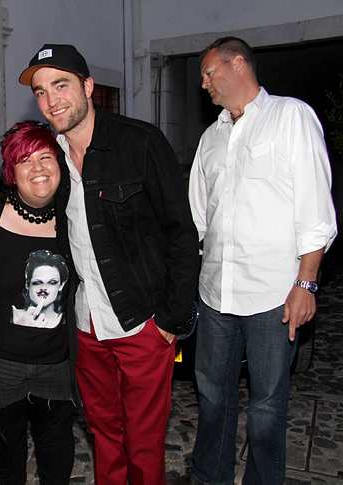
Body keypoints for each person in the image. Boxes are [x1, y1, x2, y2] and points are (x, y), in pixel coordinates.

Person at [19, 44, 199, 484]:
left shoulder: (140, 142)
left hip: (142, 323)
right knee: (104, 434)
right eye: (41, 91)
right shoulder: (50, 159)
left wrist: (171, 319)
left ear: (88, 86)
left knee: (144, 441)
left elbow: (181, 232)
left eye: (60, 85)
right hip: (86, 326)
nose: (51, 100)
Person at [188, 37, 337, 484]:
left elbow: (315, 209)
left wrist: (306, 283)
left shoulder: (291, 117)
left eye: (209, 72)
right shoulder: (210, 138)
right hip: (216, 294)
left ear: (238, 64)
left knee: (268, 405)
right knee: (212, 397)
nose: (203, 83)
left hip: (274, 296)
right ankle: (210, 477)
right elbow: (199, 216)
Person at [0, 121, 78, 485]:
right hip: (1, 366)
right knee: (9, 463)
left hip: (57, 365)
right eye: (25, 160)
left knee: (57, 459)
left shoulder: (75, 218)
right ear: (11, 172)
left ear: (60, 164)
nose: (37, 168)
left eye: (45, 157)